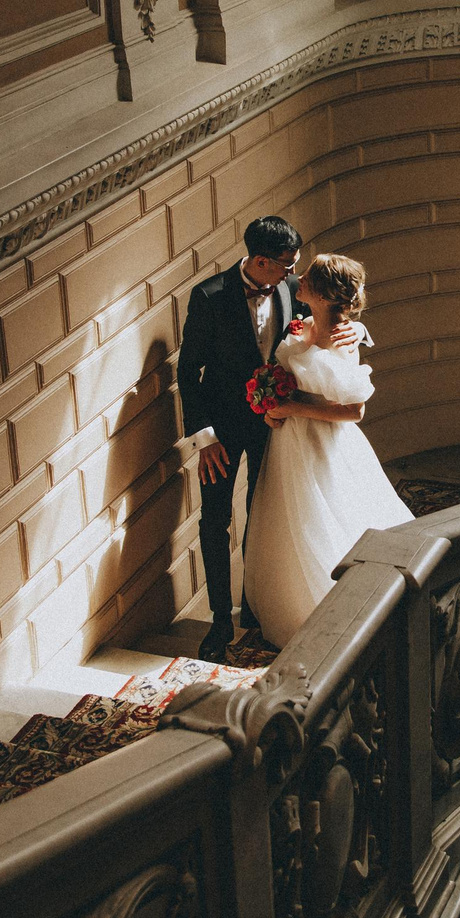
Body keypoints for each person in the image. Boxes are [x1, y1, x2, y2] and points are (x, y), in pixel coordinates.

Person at [240, 253, 414, 648]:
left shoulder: (342, 338)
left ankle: (340, 617)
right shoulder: (305, 324)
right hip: (290, 441)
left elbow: (354, 410)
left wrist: (292, 408)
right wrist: (273, 410)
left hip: (323, 444)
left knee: (323, 518)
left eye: (309, 277)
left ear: (323, 293)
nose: (298, 278)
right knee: (288, 522)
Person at [177, 216, 301, 663]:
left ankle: (254, 604)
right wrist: (204, 438)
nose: (292, 272)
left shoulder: (289, 286)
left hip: (273, 423)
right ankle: (219, 620)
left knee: (261, 514)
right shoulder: (209, 298)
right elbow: (187, 373)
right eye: (286, 264)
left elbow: (315, 324)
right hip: (222, 429)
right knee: (215, 521)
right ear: (261, 261)